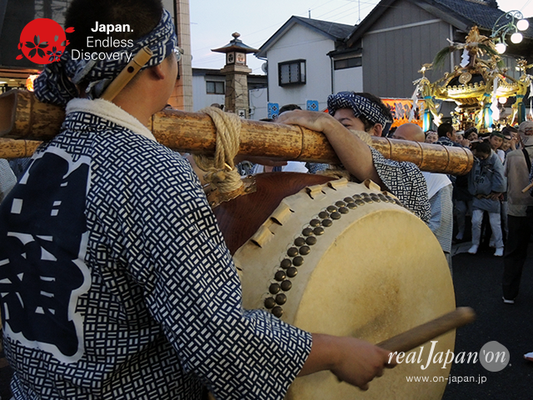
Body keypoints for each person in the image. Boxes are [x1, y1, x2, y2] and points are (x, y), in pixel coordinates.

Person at [0, 1, 394, 398]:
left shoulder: (42, 160)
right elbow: (218, 340)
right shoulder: (152, 173)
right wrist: (338, 351)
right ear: (158, 64)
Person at [277, 91, 430, 223]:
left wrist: (329, 124)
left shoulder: (408, 173)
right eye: (334, 126)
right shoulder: (320, 165)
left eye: (345, 126)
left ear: (376, 131)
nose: (332, 134)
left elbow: (371, 167)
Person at [393, 123, 453, 270]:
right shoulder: (390, 169)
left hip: (423, 254)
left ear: (417, 146)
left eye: (399, 140)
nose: (392, 144)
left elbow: (440, 224)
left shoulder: (437, 178)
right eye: (392, 138)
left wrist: (408, 242)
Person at [502, 121, 533, 304]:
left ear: (520, 135)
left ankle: (509, 293)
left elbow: (506, 175)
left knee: (514, 252)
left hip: (517, 208)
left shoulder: (513, 156)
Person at [466, 141, 506, 256]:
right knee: (475, 221)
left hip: (491, 196)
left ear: (488, 153)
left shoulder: (495, 160)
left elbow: (500, 177)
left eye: (482, 156)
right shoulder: (476, 159)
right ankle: (475, 244)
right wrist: (473, 191)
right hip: (478, 195)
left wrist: (497, 191)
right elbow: (471, 176)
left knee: (495, 223)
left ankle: (499, 245)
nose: (481, 158)